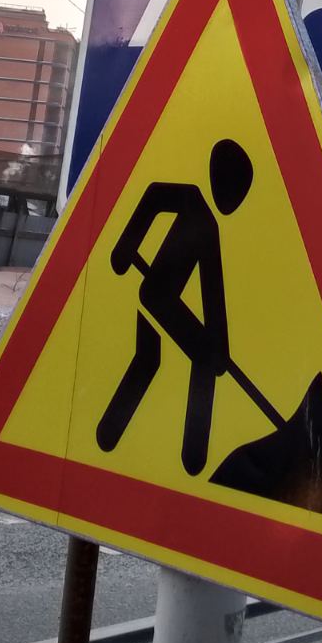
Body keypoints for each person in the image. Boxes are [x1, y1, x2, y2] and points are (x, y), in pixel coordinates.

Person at [95, 139, 253, 475]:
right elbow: (153, 197)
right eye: (236, 193)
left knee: (149, 360)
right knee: (195, 359)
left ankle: (108, 435)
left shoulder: (209, 226)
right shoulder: (193, 201)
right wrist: (124, 248)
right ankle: (192, 454)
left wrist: (221, 347)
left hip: (161, 299)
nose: (235, 203)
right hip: (157, 295)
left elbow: (212, 292)